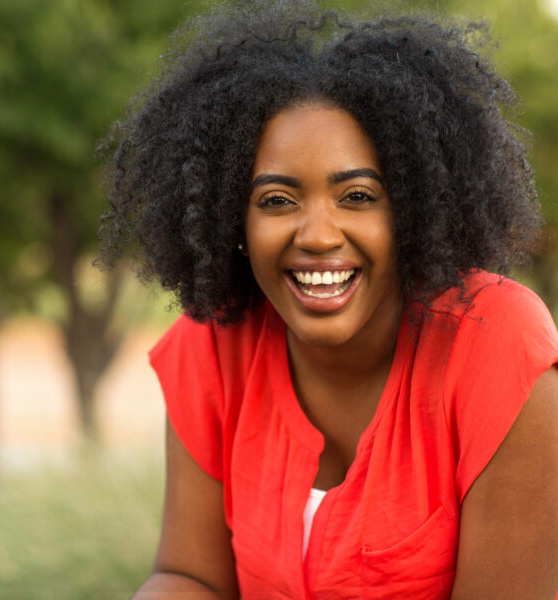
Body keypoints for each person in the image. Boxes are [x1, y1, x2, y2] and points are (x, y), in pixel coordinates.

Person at [96, 1, 558, 598]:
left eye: (359, 195)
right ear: (231, 219)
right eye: (277, 201)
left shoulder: (499, 349)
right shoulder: (212, 346)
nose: (316, 235)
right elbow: (189, 576)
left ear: (412, 210)